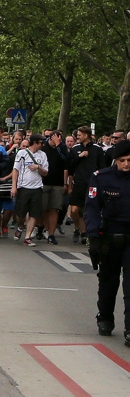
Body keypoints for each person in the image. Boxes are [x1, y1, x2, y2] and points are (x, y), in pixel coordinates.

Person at [84, 140, 130, 341]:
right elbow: (92, 209)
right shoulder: (101, 178)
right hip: (109, 236)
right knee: (108, 282)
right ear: (115, 161)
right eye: (122, 160)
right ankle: (105, 317)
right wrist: (93, 236)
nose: (127, 164)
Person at [12, 134, 49, 245]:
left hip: (37, 187)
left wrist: (38, 167)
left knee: (34, 213)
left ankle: (27, 237)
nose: (42, 145)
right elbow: (15, 170)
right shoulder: (22, 153)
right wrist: (14, 186)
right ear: (34, 143)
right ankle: (20, 226)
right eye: (40, 143)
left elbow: (45, 173)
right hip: (23, 187)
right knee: (21, 213)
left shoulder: (43, 155)